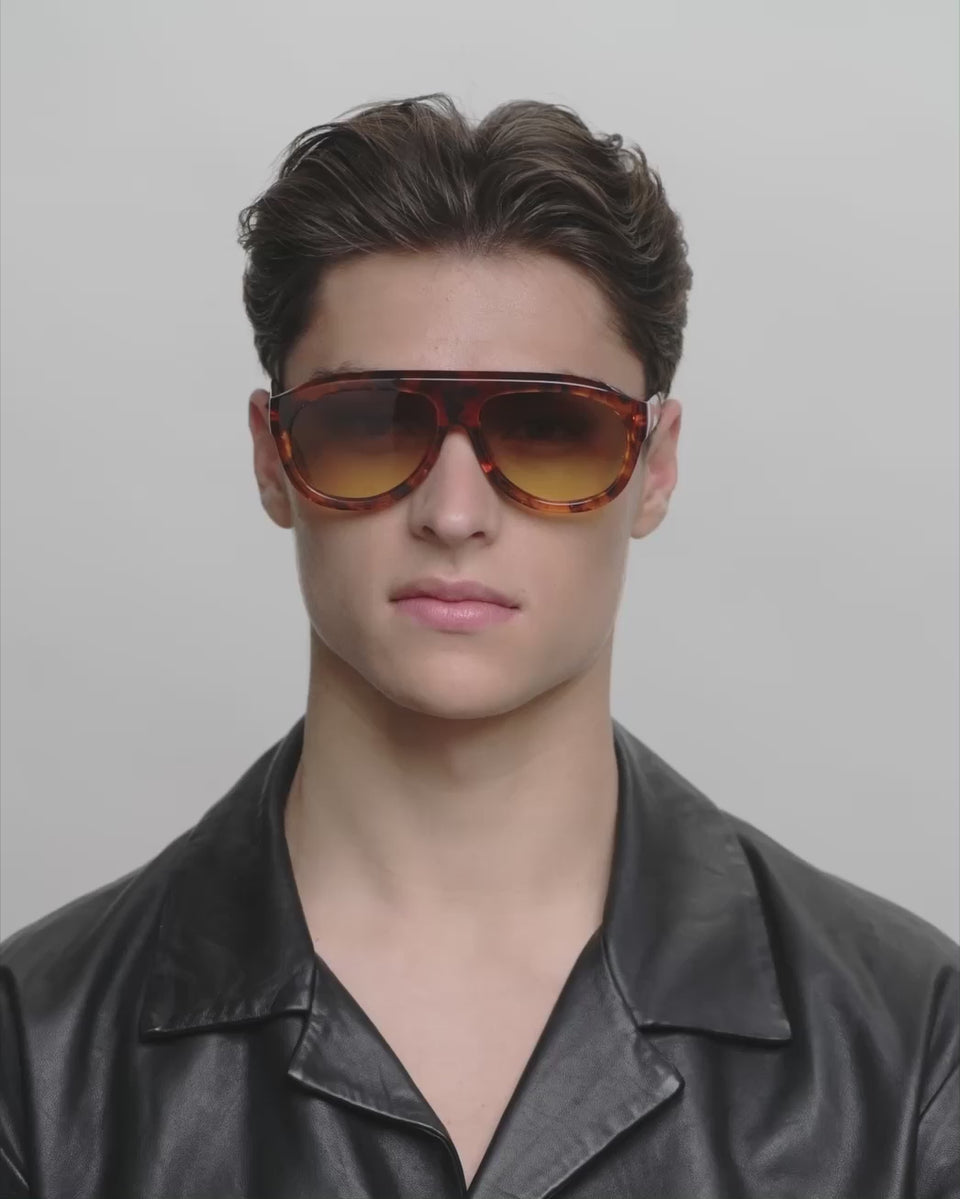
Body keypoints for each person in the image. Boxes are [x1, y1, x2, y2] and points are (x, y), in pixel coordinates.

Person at [1, 92, 956, 1199]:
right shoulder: (36, 1058)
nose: (454, 514)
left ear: (654, 468)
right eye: (370, 422)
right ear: (273, 457)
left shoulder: (911, 1047)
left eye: (552, 429)